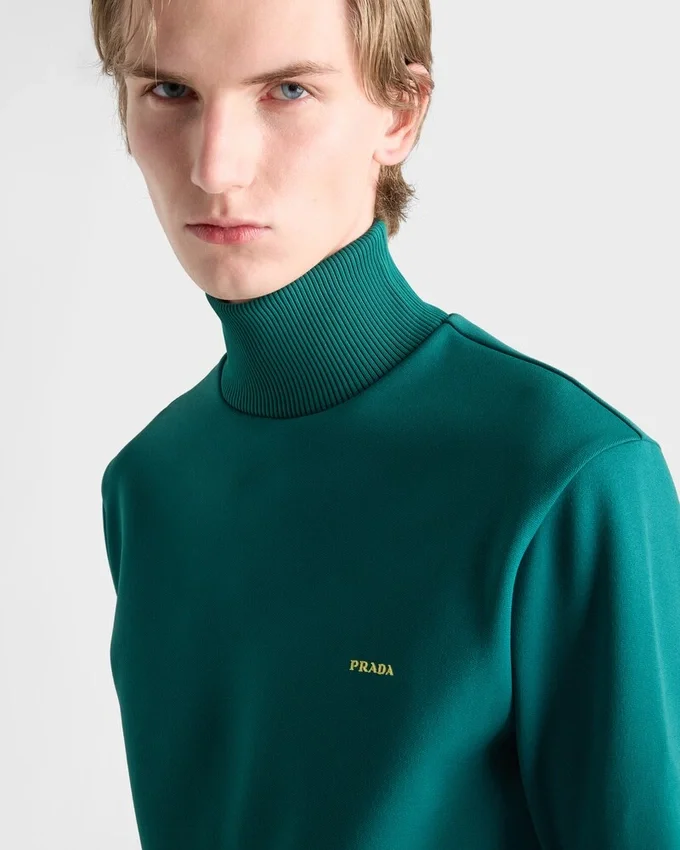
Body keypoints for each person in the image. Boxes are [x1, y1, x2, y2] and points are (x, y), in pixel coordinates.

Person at [92, 0, 680, 848]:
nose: (215, 166)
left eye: (287, 91)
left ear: (400, 115)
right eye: (170, 91)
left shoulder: (566, 477)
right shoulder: (149, 483)